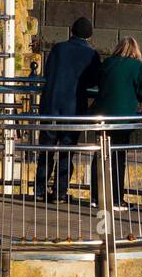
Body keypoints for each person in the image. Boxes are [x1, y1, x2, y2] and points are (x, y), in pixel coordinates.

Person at [89, 37, 142, 209]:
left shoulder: (107, 63)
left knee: (99, 154)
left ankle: (96, 197)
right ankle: (116, 199)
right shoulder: (137, 67)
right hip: (122, 119)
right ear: (136, 51)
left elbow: (96, 83)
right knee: (118, 156)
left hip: (101, 116)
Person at [33, 17, 100, 201]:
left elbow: (47, 72)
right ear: (90, 35)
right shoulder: (91, 55)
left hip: (50, 106)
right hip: (73, 109)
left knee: (46, 149)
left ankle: (39, 190)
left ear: (71, 30)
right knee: (67, 151)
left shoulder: (58, 48)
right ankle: (60, 192)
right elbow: (95, 80)